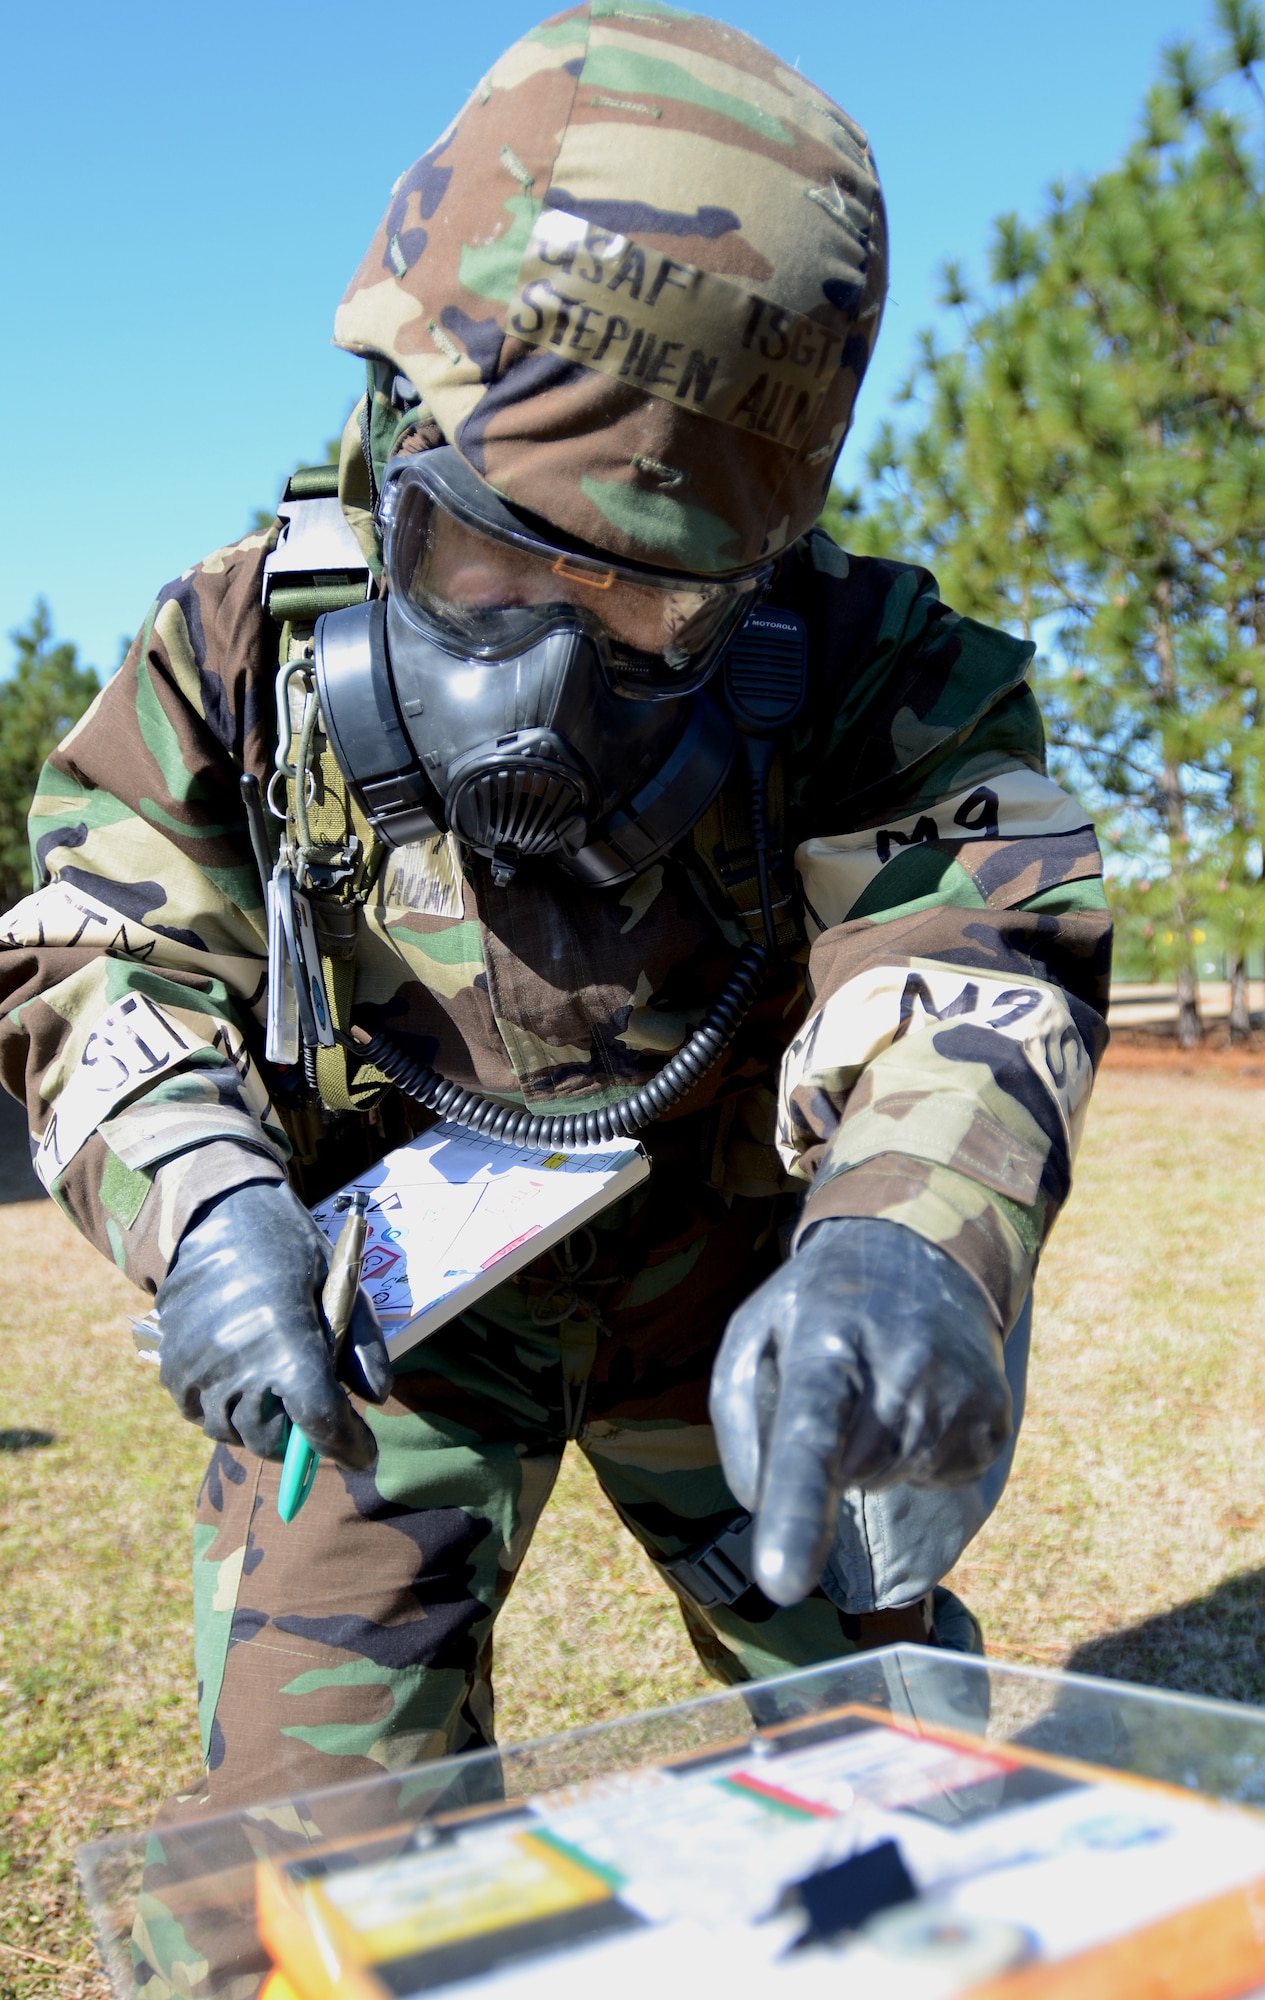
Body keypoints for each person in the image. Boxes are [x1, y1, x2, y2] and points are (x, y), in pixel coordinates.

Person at [0, 1, 1109, 1831]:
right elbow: (102, 946)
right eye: (485, 558)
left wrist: (908, 1247)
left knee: (910, 1794)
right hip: (393, 1315)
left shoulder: (869, 669)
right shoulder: (232, 654)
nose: (546, 670)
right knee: (306, 1854)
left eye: (651, 607)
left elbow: (965, 957)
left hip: (762, 1298)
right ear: (390, 430)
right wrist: (202, 1203)